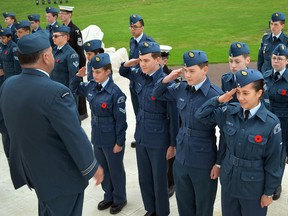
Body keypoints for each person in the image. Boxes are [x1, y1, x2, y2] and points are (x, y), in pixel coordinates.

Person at [0, 32, 104, 216]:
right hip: (60, 177)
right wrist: (91, 166)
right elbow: (73, 135)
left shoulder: (8, 85)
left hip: (33, 171)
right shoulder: (56, 92)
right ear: (46, 57)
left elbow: (7, 127)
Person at [196, 68, 282, 216]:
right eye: (238, 92)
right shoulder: (229, 112)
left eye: (246, 93)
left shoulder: (270, 124)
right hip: (229, 183)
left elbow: (274, 162)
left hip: (253, 188)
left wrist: (268, 193)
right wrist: (218, 100)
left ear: (259, 93)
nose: (240, 98)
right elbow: (200, 116)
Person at [152, 50, 223, 216]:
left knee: (203, 207)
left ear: (205, 69)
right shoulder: (181, 88)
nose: (187, 75)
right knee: (184, 204)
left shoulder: (215, 95)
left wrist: (218, 163)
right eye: (185, 70)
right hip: (181, 157)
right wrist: (167, 79)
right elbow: (156, 94)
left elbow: (226, 135)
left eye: (192, 71)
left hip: (203, 160)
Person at [120, 42, 175, 216]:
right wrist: (130, 62)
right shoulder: (139, 75)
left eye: (146, 60)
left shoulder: (166, 82)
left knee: (159, 179)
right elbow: (123, 72)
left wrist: (172, 144)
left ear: (158, 60)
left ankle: (161, 212)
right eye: (140, 60)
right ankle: (150, 209)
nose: (142, 64)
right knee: (144, 177)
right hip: (142, 135)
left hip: (159, 139)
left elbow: (173, 118)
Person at [71, 53, 127, 214]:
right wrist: (78, 76)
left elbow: (121, 122)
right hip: (97, 136)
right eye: (93, 72)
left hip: (111, 139)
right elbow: (74, 88)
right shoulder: (91, 86)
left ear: (108, 71)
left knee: (115, 171)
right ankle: (108, 195)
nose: (94, 75)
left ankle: (119, 198)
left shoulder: (116, 94)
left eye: (98, 72)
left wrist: (119, 142)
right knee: (103, 168)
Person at [263, 43, 288, 200]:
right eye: (274, 58)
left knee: (278, 157)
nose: (276, 61)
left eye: (280, 58)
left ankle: (275, 184)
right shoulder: (264, 76)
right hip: (265, 122)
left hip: (283, 125)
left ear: (287, 61)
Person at [128, 14, 155, 148]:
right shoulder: (132, 41)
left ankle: (146, 137)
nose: (133, 29)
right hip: (134, 83)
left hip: (144, 84)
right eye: (131, 27)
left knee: (146, 111)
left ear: (142, 27)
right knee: (137, 111)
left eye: (135, 27)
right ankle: (139, 136)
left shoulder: (149, 42)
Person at [59, 5, 88, 121]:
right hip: (65, 63)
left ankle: (82, 111)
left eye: (63, 13)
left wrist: (81, 66)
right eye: (60, 13)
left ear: (69, 15)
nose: (61, 15)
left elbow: (80, 50)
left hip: (75, 63)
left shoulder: (75, 30)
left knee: (78, 87)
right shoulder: (61, 29)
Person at [159, 44, 178, 199]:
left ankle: (171, 182)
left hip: (169, 121)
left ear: (164, 60)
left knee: (170, 155)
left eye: (159, 59)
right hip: (156, 124)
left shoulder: (173, 78)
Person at [50, 25, 79, 99]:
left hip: (64, 94)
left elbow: (73, 77)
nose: (53, 38)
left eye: (56, 36)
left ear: (65, 37)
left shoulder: (71, 54)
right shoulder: (54, 51)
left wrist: (70, 96)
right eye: (53, 36)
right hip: (53, 91)